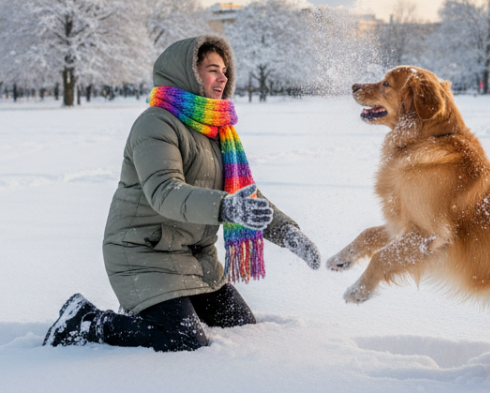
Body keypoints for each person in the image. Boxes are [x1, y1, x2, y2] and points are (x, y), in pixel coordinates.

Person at [43, 35, 321, 351]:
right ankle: (86, 322)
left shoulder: (218, 131)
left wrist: (288, 232)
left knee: (243, 328)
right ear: (187, 73)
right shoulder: (156, 124)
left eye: (225, 71)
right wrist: (227, 207)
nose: (223, 77)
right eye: (213, 69)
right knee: (182, 339)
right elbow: (165, 191)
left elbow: (244, 195)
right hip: (142, 252)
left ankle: (156, 310)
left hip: (195, 258)